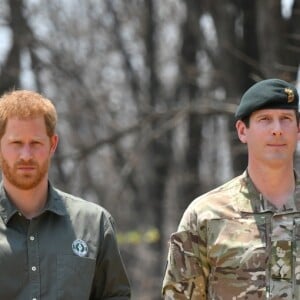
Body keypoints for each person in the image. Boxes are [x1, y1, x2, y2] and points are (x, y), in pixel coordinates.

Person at [162, 78, 300, 299]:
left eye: (285, 119)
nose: (277, 130)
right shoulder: (206, 216)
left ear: (298, 130)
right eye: (265, 119)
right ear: (242, 131)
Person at [0, 90, 131, 299]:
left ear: (52, 145)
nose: (26, 155)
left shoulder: (94, 224)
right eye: (16, 143)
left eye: (36, 143)